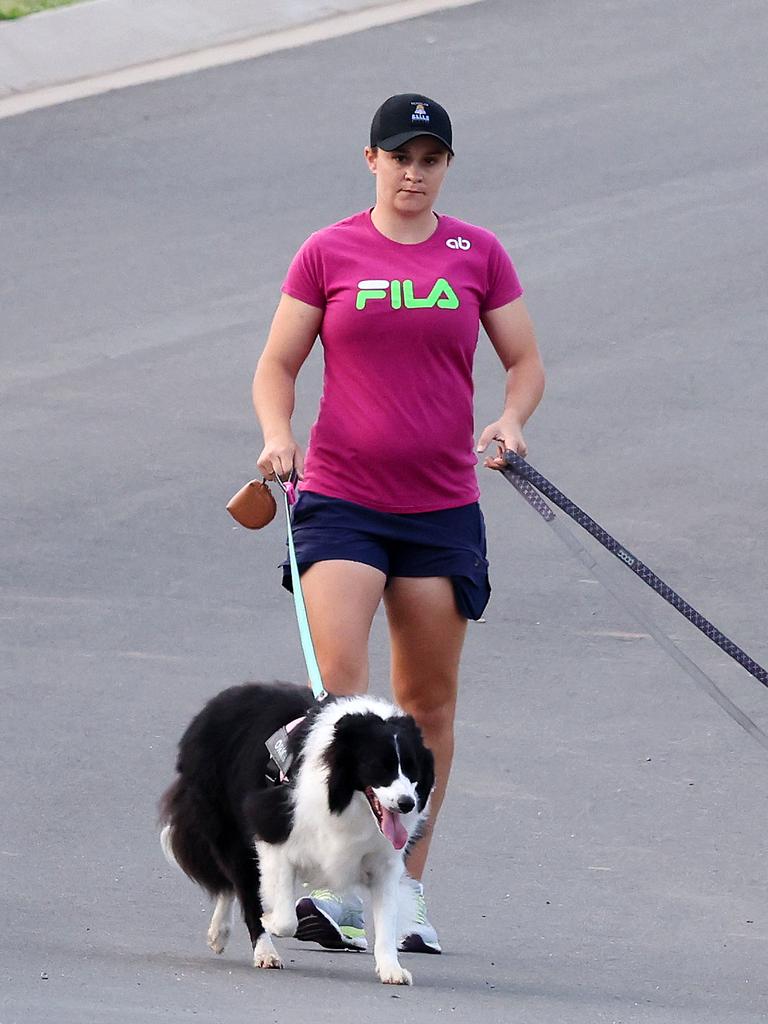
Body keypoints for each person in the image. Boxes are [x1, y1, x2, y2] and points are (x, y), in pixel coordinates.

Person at [252, 93, 545, 954]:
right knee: (342, 698)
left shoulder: (476, 253)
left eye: (430, 158)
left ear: (446, 165)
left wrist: (510, 418)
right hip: (339, 498)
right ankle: (339, 880)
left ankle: (402, 889)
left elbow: (523, 359)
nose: (414, 173)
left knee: (427, 707)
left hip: (442, 507)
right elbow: (277, 361)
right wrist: (279, 433)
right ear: (371, 160)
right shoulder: (329, 250)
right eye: (399, 156)